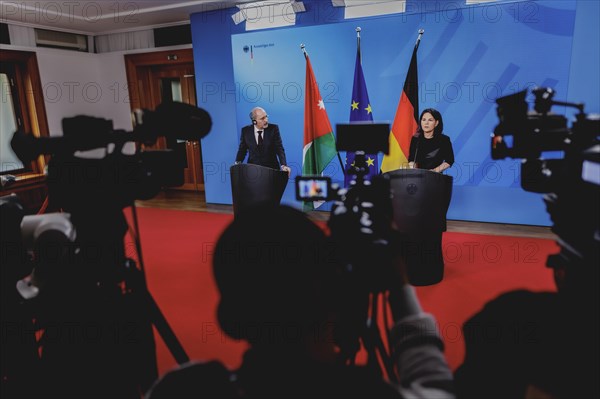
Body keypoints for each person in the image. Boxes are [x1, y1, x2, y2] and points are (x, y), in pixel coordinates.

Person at [146, 205, 455, 398]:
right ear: (333, 291)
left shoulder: (183, 387)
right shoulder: (362, 390)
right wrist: (400, 287)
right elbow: (438, 389)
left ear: (229, 316)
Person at [235, 107, 291, 175]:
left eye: (266, 116)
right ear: (254, 121)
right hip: (253, 171)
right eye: (262, 118)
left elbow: (279, 148)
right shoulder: (245, 131)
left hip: (272, 171)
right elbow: (242, 150)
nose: (266, 120)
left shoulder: (273, 129)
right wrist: (237, 163)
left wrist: (283, 165)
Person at [408, 108, 454, 173]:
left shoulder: (444, 140)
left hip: (436, 177)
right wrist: (414, 170)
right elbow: (411, 159)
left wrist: (434, 171)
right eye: (423, 120)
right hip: (419, 177)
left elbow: (449, 160)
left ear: (436, 123)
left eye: (430, 120)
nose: (426, 123)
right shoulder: (416, 139)